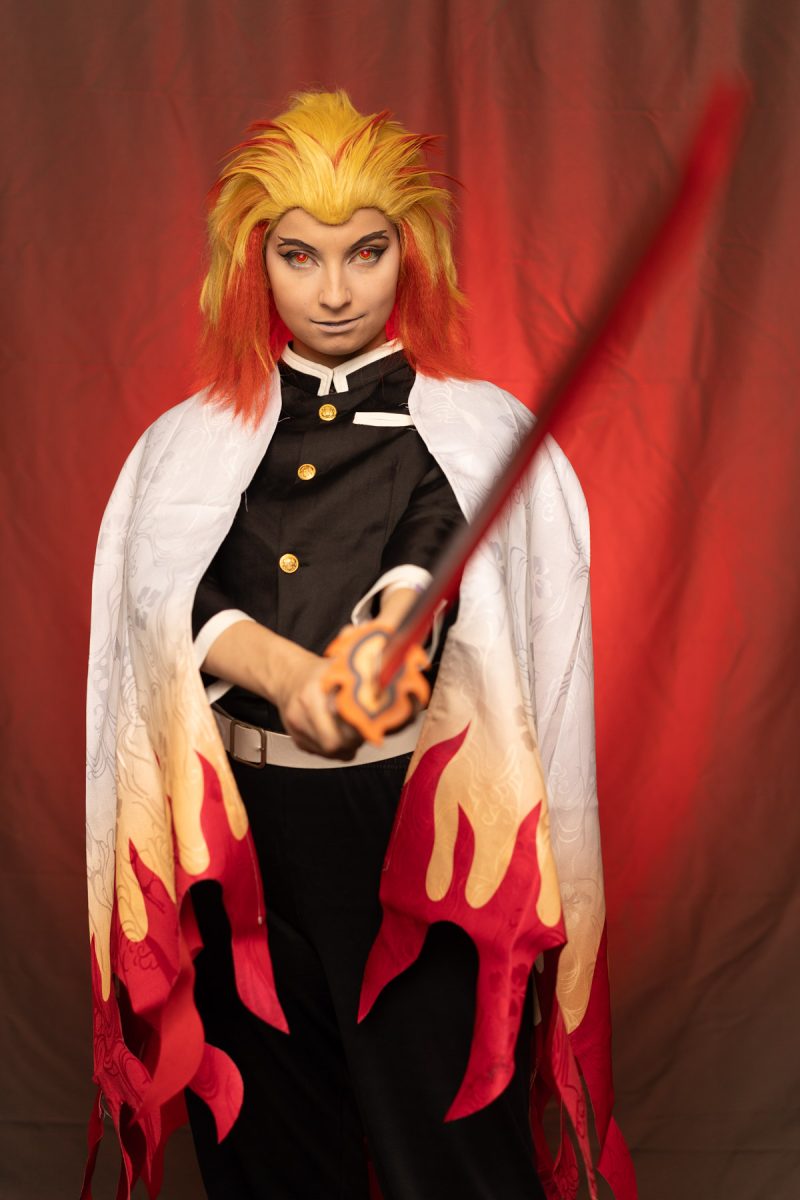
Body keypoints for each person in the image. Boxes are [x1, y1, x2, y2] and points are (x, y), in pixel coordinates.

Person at [84, 90, 633, 1200]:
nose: (334, 291)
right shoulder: (187, 448)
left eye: (365, 252)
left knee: (453, 1149)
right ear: (254, 263)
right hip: (239, 838)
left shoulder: (472, 433)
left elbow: (438, 559)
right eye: (300, 256)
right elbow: (165, 600)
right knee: (266, 1152)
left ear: (409, 254)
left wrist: (389, 635)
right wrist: (285, 673)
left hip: (418, 833)